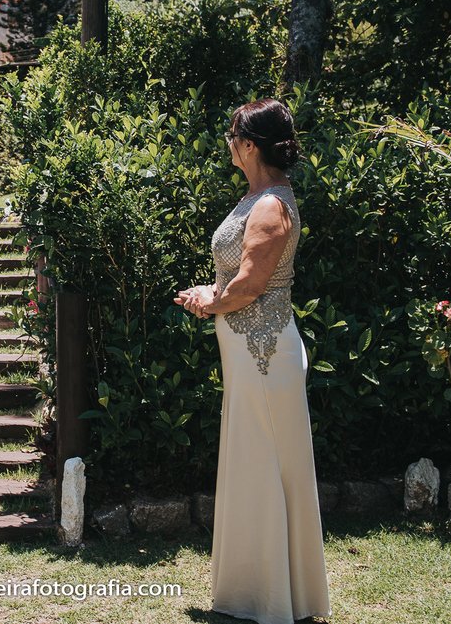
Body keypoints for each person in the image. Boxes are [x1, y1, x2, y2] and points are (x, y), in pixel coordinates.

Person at [175, 99, 330, 624]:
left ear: (250, 144)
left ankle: (270, 598)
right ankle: (258, 592)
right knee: (253, 459)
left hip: (264, 353)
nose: (227, 142)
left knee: (265, 462)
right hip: (248, 351)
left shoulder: (270, 206)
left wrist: (208, 302)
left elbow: (251, 284)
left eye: (232, 134)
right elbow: (236, 277)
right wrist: (210, 292)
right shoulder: (258, 197)